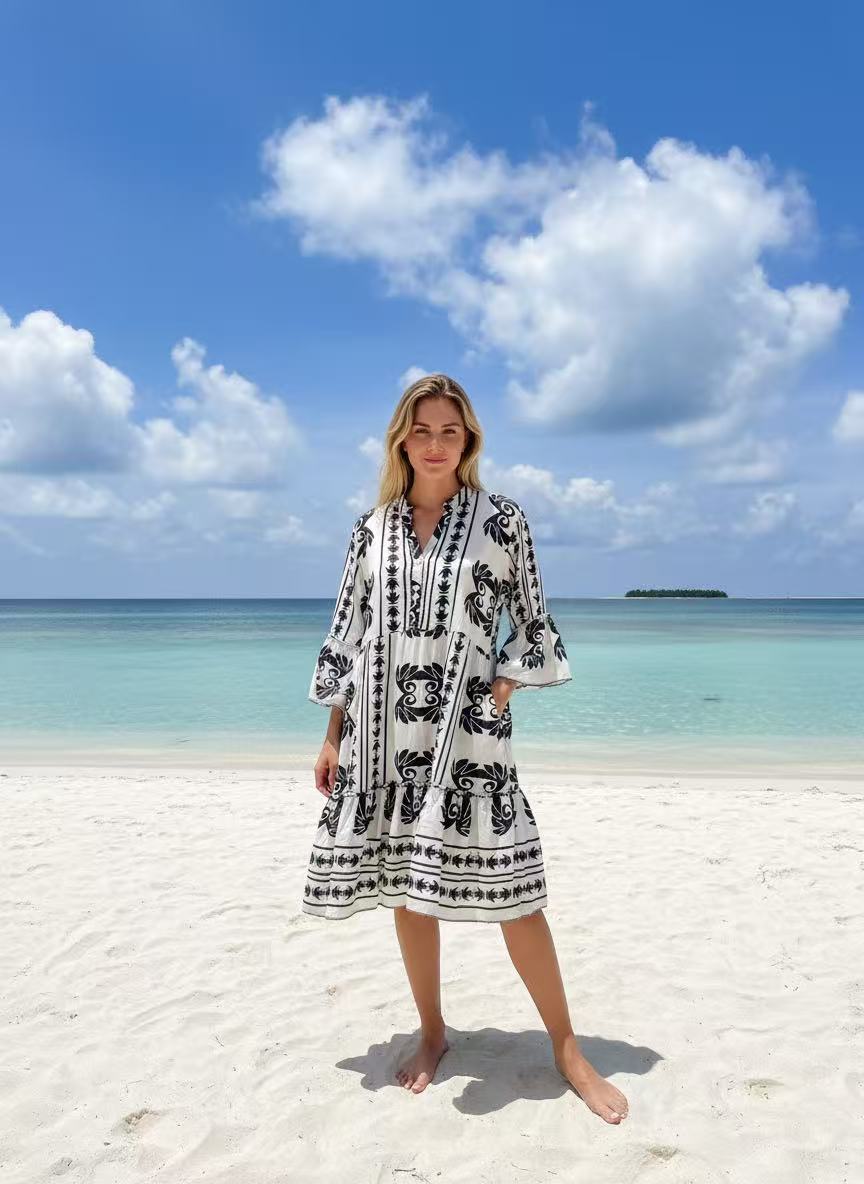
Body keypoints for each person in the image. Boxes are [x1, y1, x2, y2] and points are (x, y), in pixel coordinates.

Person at [304, 373, 628, 1124]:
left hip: (469, 735)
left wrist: (503, 687)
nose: (435, 444)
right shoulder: (369, 530)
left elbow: (533, 623)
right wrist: (331, 736)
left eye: (450, 431)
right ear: (401, 440)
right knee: (407, 890)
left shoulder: (502, 520)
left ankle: (568, 1049)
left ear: (468, 440)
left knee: (516, 893)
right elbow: (347, 634)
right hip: (381, 735)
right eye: (422, 430)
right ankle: (433, 1031)